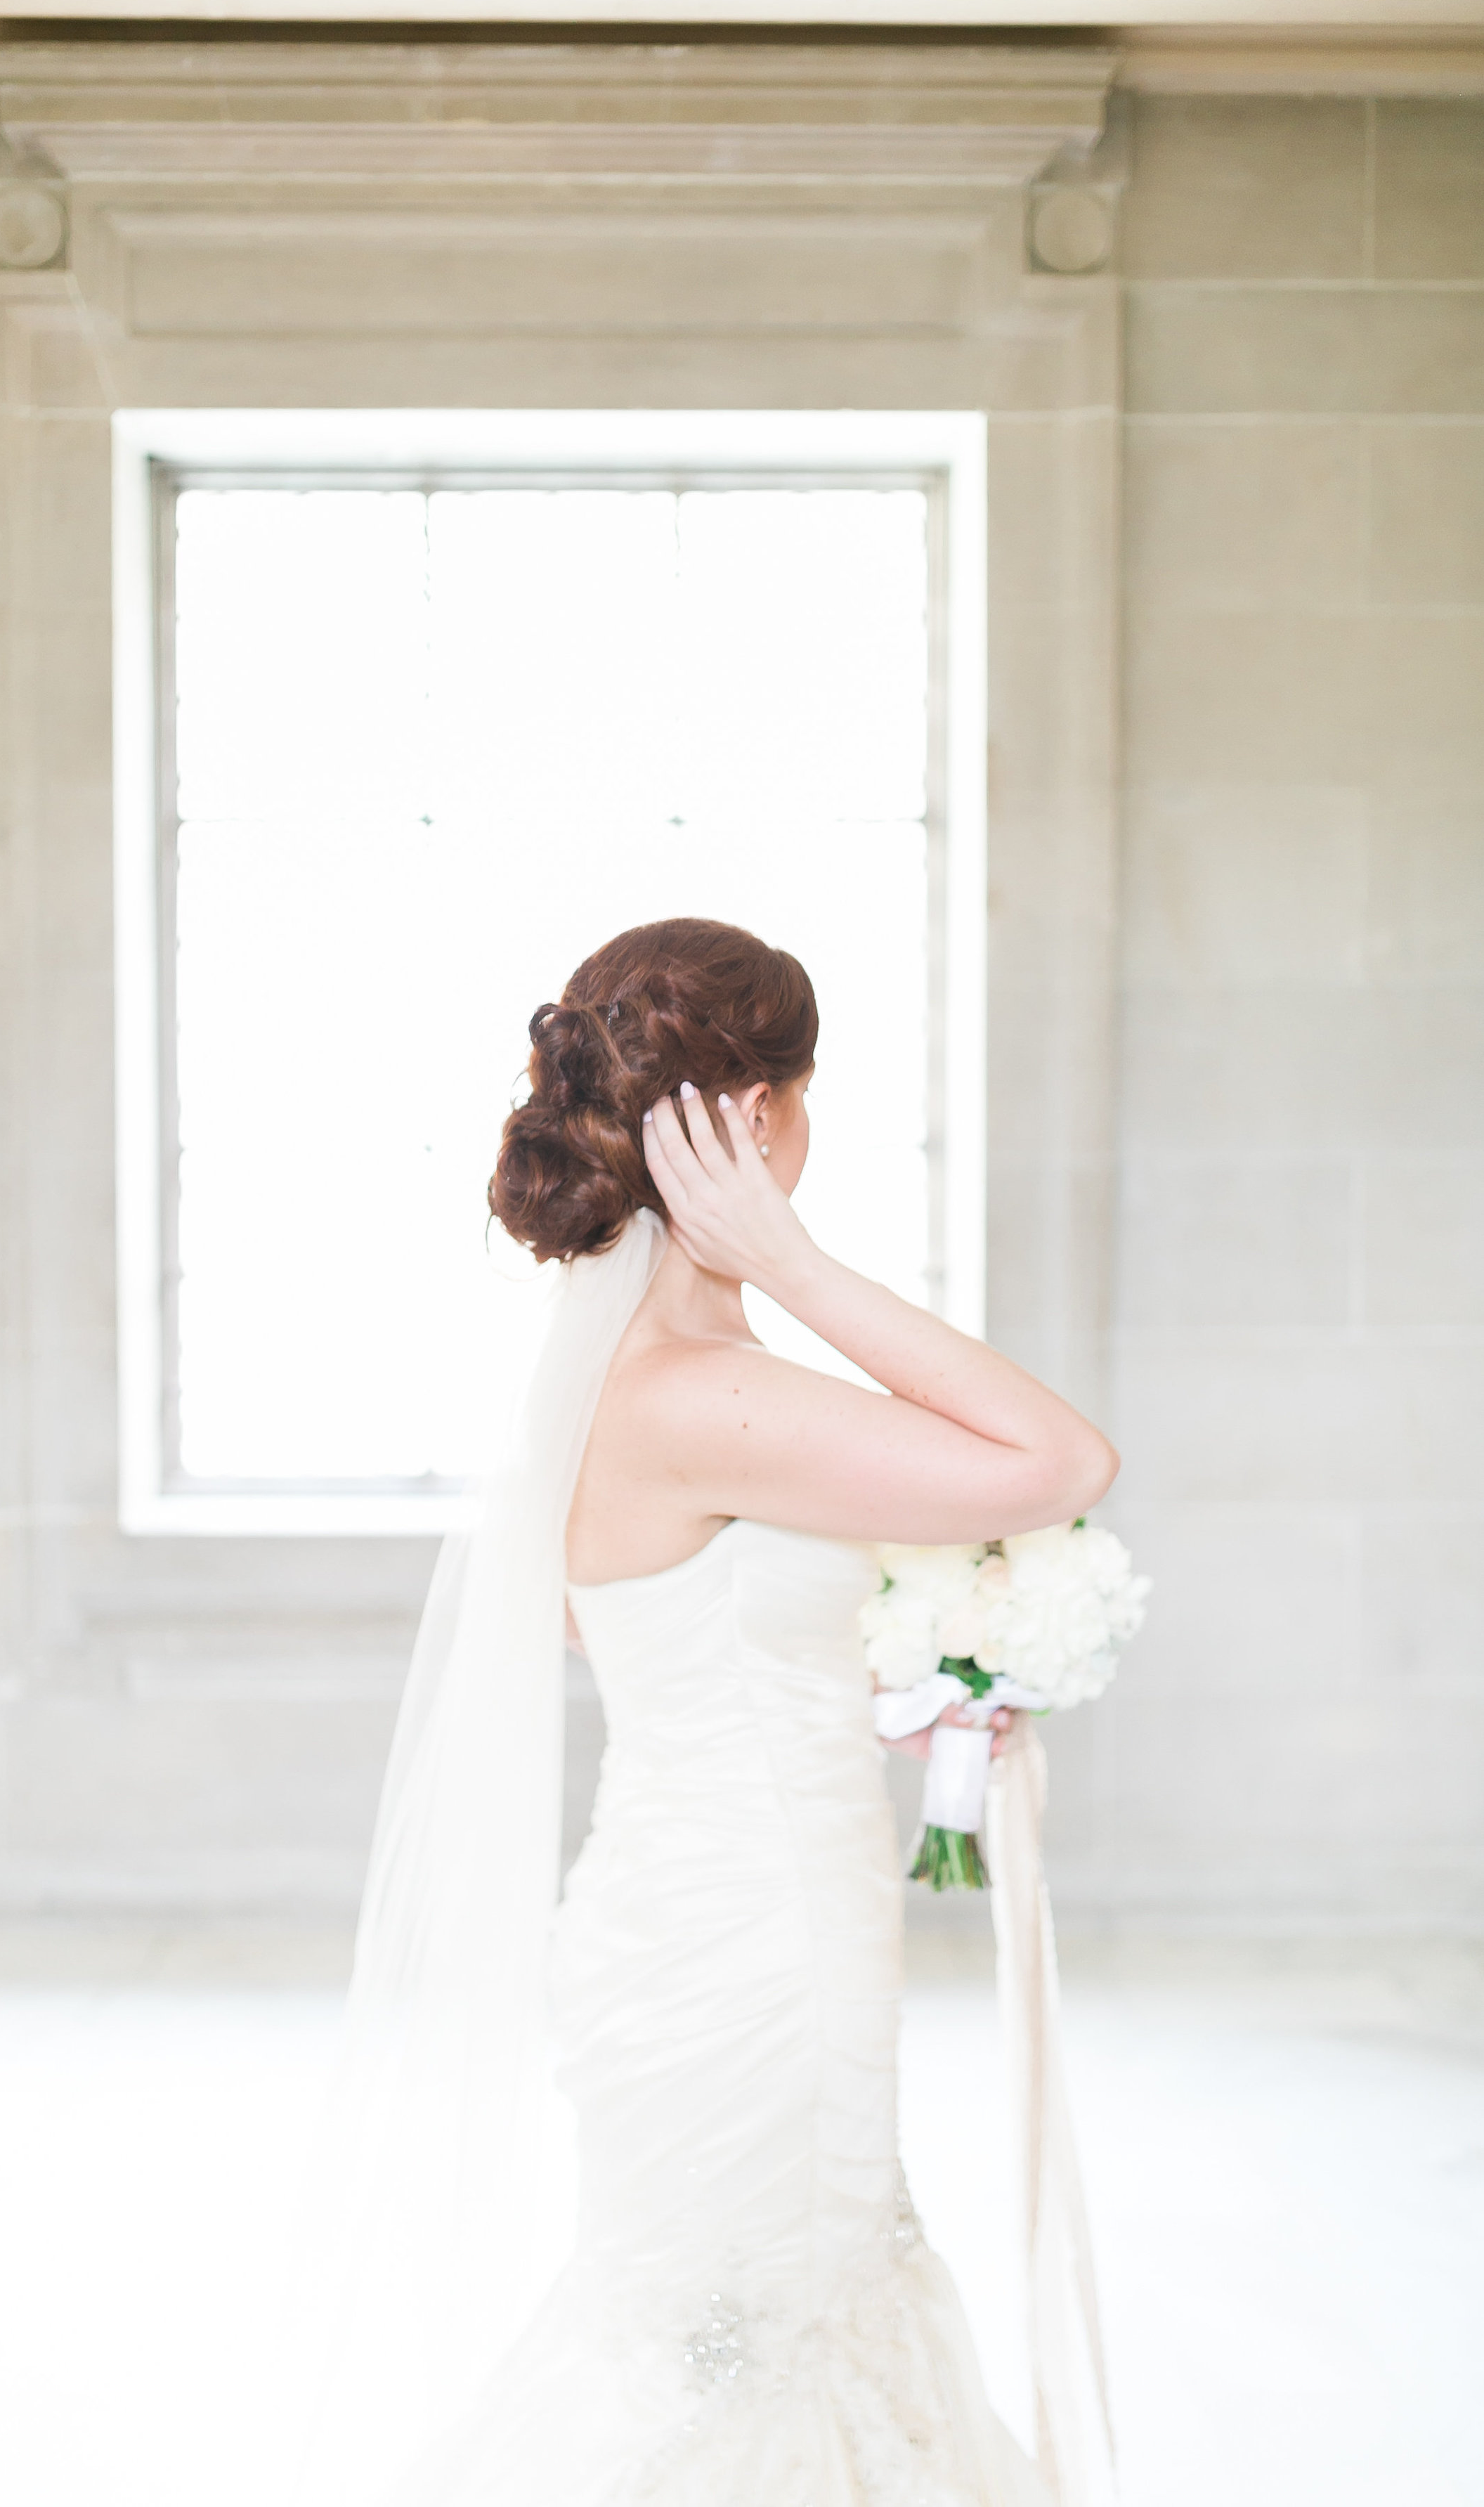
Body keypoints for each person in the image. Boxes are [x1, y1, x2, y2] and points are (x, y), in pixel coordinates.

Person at [313, 917, 1119, 2507]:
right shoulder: (702, 1387)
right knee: (742, 2344)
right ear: (755, 1124)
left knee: (732, 2324)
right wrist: (799, 1264)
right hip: (755, 1941)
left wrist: (888, 1684)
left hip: (693, 1901)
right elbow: (1060, 1463)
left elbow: (620, 1620)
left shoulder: (652, 1372)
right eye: (806, 1096)